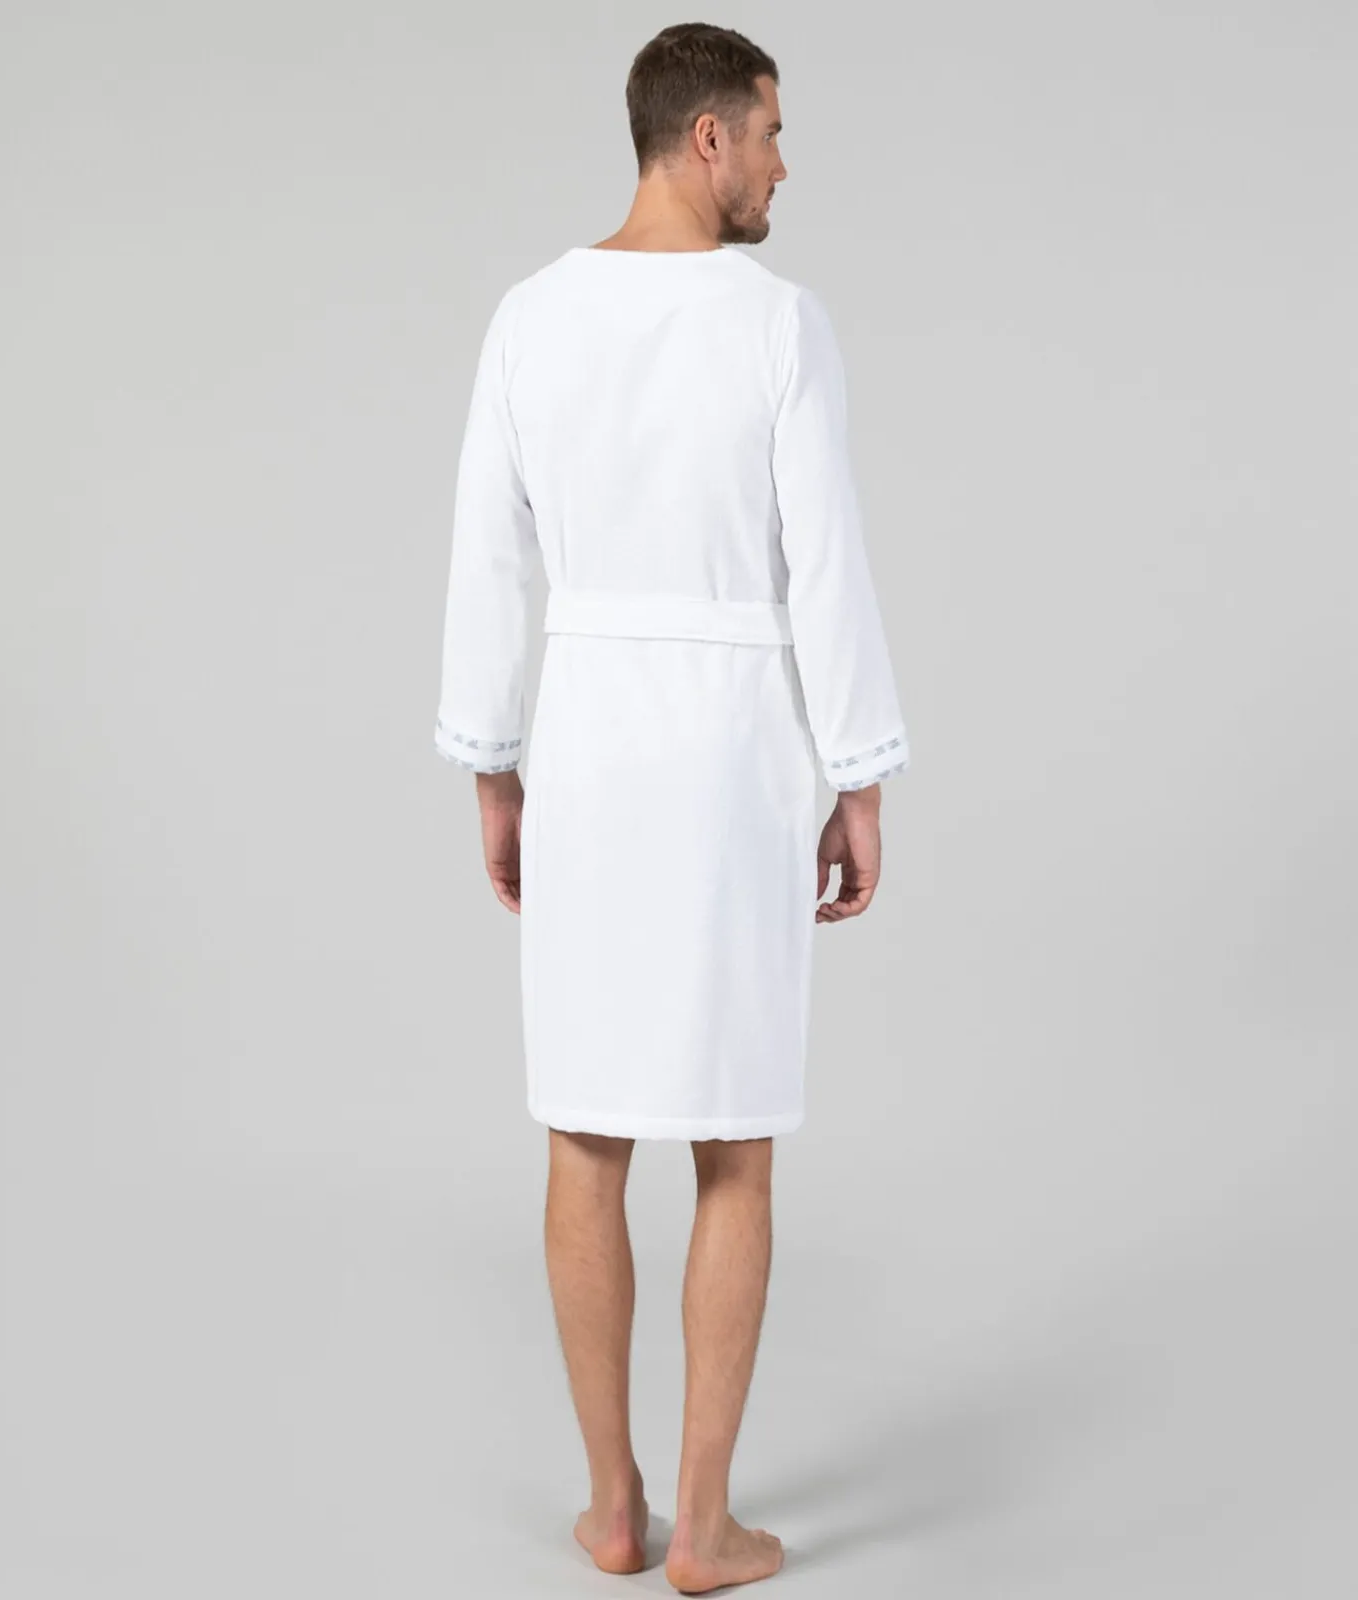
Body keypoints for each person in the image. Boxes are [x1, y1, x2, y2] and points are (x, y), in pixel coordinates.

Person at [433, 22, 910, 1594]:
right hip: (727, 751)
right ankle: (706, 1527)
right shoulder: (777, 326)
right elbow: (825, 557)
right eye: (770, 132)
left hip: (587, 742)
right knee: (734, 1143)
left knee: (584, 1131)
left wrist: (495, 763)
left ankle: (612, 1509)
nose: (783, 164)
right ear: (706, 139)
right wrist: (856, 772)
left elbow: (487, 558)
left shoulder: (529, 317)